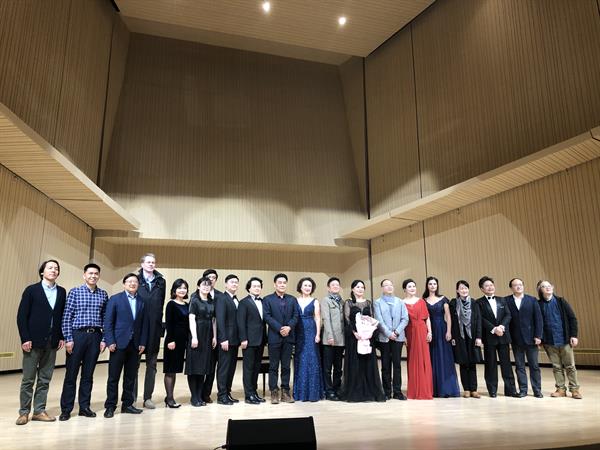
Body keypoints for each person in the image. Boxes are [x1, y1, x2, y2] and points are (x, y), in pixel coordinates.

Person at [16, 260, 66, 425]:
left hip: (52, 342)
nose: (53, 270)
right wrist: (25, 338)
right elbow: (22, 316)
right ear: (42, 272)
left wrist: (61, 336)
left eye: (56, 268)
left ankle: (39, 411)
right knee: (28, 379)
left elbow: (60, 316)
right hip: (33, 341)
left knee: (45, 379)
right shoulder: (32, 290)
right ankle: (24, 413)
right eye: (50, 268)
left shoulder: (61, 291)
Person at [59, 263, 109, 421]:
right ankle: (66, 409)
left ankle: (84, 407)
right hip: (77, 336)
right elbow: (67, 317)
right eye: (90, 273)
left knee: (88, 375)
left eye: (96, 273)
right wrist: (68, 339)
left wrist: (104, 339)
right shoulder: (75, 292)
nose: (93, 276)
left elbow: (105, 319)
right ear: (84, 275)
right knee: (71, 374)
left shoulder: (103, 294)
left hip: (95, 337)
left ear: (99, 276)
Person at [103, 273, 148, 418]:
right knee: (113, 377)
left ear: (138, 284)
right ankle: (110, 406)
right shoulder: (115, 299)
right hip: (118, 343)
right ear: (124, 284)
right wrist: (110, 341)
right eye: (129, 281)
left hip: (135, 345)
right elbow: (108, 322)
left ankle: (127, 405)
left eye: (135, 281)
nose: (132, 284)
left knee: (130, 377)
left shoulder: (142, 301)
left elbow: (144, 324)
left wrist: (142, 342)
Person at [339, 280, 385, 402]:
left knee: (368, 364)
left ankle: (370, 391)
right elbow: (347, 320)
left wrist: (370, 332)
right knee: (355, 364)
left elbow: (372, 319)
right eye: (357, 287)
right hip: (354, 338)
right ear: (352, 289)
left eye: (362, 287)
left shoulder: (369, 303)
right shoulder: (348, 302)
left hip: (368, 338)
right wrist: (355, 333)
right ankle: (355, 391)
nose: (360, 289)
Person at [537, 280, 581, 399]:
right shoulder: (538, 304)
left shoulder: (561, 301)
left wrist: (574, 335)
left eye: (549, 285)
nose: (547, 288)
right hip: (549, 341)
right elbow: (537, 323)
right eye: (544, 286)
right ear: (540, 290)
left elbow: (572, 318)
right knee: (556, 367)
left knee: (570, 366)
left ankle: (575, 390)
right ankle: (561, 389)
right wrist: (540, 338)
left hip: (564, 339)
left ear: (552, 287)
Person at [477, 276, 518, 398]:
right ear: (482, 289)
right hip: (489, 336)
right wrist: (494, 329)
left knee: (506, 364)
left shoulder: (502, 300)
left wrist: (501, 326)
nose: (490, 287)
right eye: (486, 286)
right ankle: (492, 390)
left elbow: (508, 315)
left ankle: (510, 390)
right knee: (490, 364)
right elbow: (480, 318)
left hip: (503, 335)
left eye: (491, 285)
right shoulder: (479, 302)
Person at [135, 253, 166, 409]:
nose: (151, 264)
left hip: (154, 328)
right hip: (138, 329)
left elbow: (161, 303)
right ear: (142, 264)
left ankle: (148, 398)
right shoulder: (135, 280)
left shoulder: (161, 281)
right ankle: (131, 398)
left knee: (152, 366)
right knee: (133, 366)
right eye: (148, 262)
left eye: (153, 262)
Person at [263, 273, 299, 404]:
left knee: (286, 366)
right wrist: (280, 328)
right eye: (280, 282)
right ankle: (274, 391)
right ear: (275, 284)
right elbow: (267, 316)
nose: (282, 285)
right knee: (273, 366)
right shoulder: (267, 299)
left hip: (288, 337)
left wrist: (288, 327)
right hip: (274, 337)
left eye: (284, 282)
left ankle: (285, 392)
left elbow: (296, 316)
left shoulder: (292, 299)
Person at [505, 278, 543, 398]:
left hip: (531, 338)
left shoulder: (532, 300)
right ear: (511, 288)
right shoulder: (506, 301)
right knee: (519, 366)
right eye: (515, 285)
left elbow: (538, 319)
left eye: (520, 284)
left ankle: (537, 390)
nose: (518, 287)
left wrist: (538, 335)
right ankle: (523, 390)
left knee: (534, 366)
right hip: (516, 339)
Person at [423, 276, 460, 398]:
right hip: (429, 330)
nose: (433, 286)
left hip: (442, 329)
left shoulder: (443, 299)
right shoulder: (423, 300)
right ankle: (433, 388)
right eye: (430, 284)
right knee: (432, 357)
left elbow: (448, 316)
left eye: (434, 284)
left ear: (437, 286)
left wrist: (449, 331)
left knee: (444, 358)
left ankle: (446, 387)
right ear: (427, 286)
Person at [373, 279, 409, 400]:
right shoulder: (377, 302)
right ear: (382, 288)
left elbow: (405, 318)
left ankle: (397, 392)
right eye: (386, 285)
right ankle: (387, 391)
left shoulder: (400, 301)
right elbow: (379, 320)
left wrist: (397, 332)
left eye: (391, 285)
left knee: (397, 365)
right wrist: (389, 333)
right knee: (385, 365)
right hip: (384, 338)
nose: (389, 287)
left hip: (398, 338)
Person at [185, 277, 217, 406]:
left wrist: (214, 337)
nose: (206, 287)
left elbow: (214, 320)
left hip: (208, 335)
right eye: (203, 285)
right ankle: (194, 397)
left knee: (203, 367)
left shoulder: (211, 301)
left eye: (208, 285)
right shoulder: (194, 300)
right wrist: (194, 337)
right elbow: (191, 319)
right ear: (198, 286)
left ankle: (200, 395)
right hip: (197, 334)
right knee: (195, 368)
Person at [449, 280, 483, 398]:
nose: (464, 290)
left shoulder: (474, 303)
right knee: (463, 363)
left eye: (466, 288)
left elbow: (478, 320)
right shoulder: (453, 303)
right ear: (457, 290)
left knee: (472, 363)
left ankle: (474, 389)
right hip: (460, 337)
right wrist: (453, 336)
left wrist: (479, 337)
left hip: (472, 336)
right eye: (461, 288)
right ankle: (466, 389)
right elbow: (451, 321)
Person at [293, 277, 324, 402]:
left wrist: (318, 334)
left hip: (311, 330)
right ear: (300, 287)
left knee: (312, 360)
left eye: (309, 286)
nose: (307, 288)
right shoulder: (295, 300)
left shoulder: (315, 301)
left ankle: (313, 393)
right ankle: (300, 392)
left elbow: (317, 318)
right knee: (300, 360)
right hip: (298, 331)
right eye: (305, 285)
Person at [237, 277, 267, 404]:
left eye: (259, 286)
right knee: (248, 369)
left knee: (256, 368)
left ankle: (254, 392)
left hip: (260, 340)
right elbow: (241, 322)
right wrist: (243, 339)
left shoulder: (263, 302)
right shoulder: (244, 302)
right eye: (254, 286)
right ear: (249, 288)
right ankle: (248, 395)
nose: (257, 288)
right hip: (248, 341)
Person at [402, 278, 433, 400]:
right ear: (404, 289)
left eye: (414, 286)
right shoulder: (401, 303)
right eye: (409, 286)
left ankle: (425, 389)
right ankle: (414, 390)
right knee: (413, 358)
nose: (412, 288)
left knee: (424, 359)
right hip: (409, 331)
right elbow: (401, 321)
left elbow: (427, 318)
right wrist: (403, 336)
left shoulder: (421, 301)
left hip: (422, 330)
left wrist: (429, 332)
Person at [163, 279, 190, 408]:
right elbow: (169, 324)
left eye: (184, 288)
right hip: (172, 341)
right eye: (179, 288)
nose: (182, 290)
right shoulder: (171, 304)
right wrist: (170, 340)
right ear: (174, 290)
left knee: (176, 369)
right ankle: (169, 398)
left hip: (183, 341)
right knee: (170, 370)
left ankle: (169, 397)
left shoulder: (187, 305)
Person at [216, 274, 241, 405]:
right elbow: (220, 320)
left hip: (235, 340)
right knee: (224, 368)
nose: (234, 284)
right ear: (226, 284)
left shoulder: (236, 299)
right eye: (232, 282)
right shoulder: (222, 298)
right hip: (226, 340)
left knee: (231, 368)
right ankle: (221, 395)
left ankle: (228, 393)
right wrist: (223, 338)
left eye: (236, 282)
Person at [320, 277, 345, 401]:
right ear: (328, 288)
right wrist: (330, 336)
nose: (335, 286)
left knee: (338, 367)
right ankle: (328, 391)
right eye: (333, 285)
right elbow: (326, 319)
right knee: (327, 368)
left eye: (337, 285)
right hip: (329, 339)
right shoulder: (326, 300)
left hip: (341, 339)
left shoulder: (342, 301)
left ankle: (337, 389)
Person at [201, 268, 221, 403]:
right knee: (201, 365)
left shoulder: (220, 295)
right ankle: (197, 393)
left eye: (214, 277)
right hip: (201, 335)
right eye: (209, 277)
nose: (211, 280)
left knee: (212, 366)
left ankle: (206, 393)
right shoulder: (196, 295)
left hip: (216, 336)